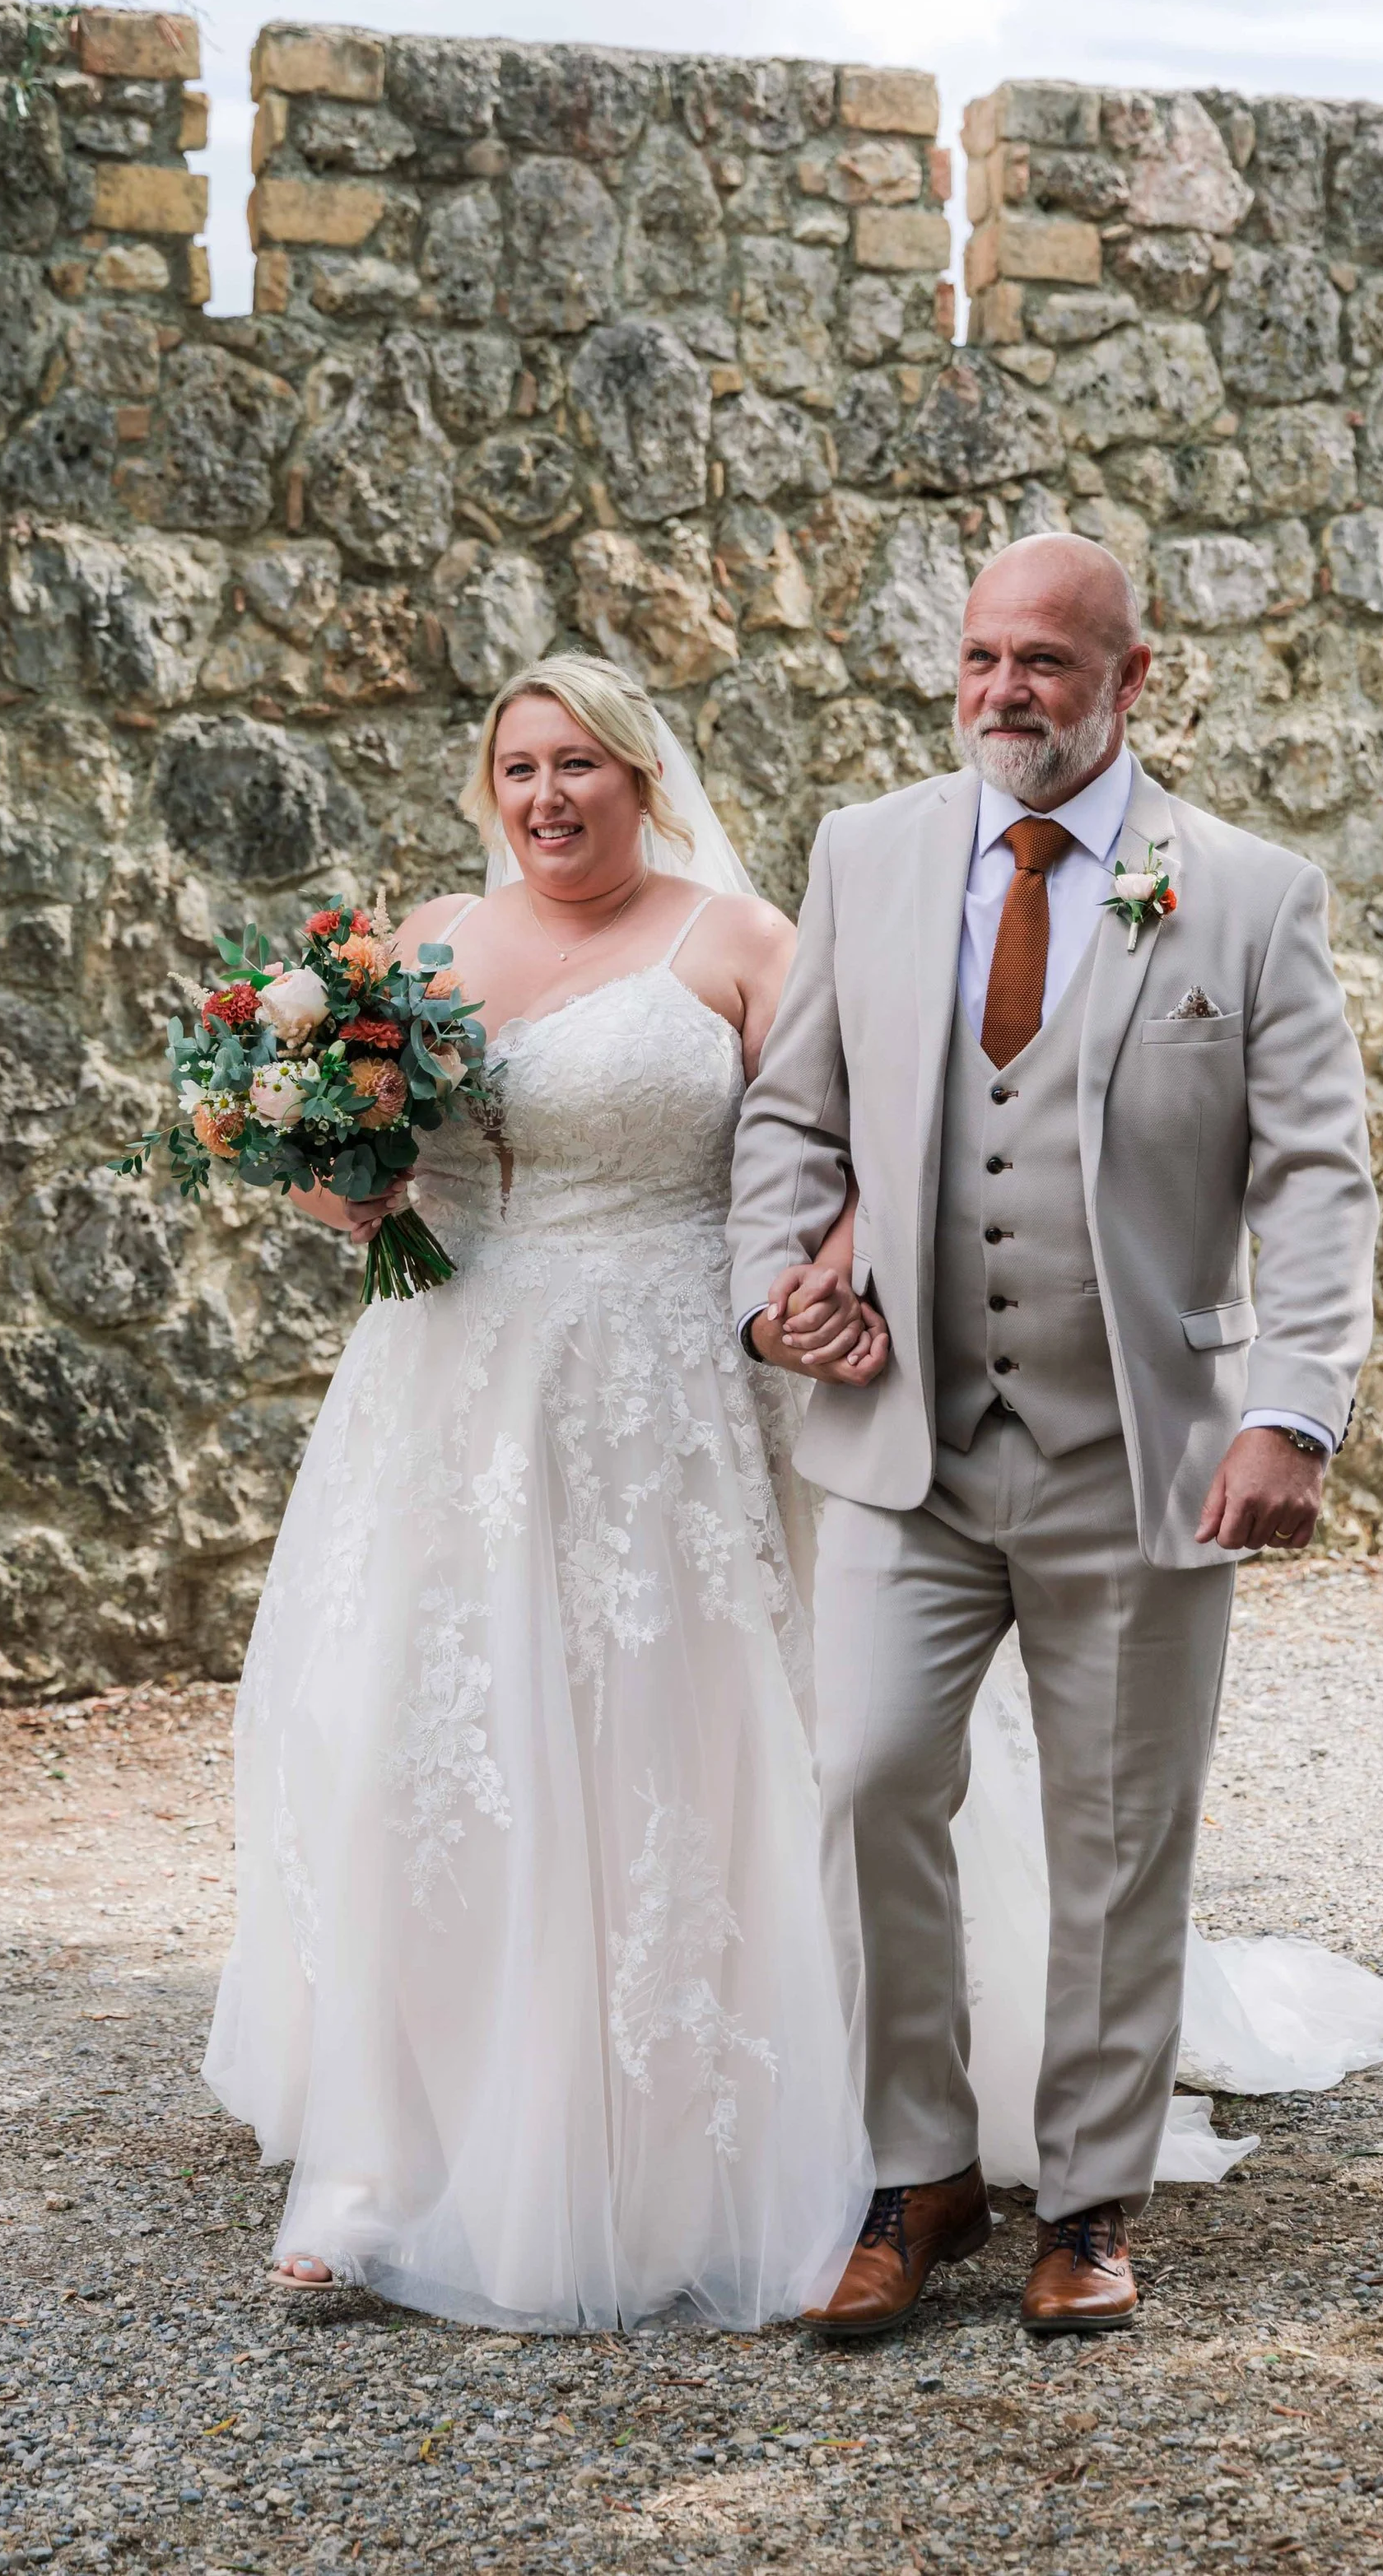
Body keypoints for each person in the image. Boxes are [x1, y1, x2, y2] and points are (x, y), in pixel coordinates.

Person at [729, 531, 1383, 2339]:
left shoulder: (1243, 895)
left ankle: (1088, 2200)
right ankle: (913, 2170)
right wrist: (769, 1289)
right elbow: (789, 1125)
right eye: (978, 658)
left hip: (1142, 1451)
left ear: (1131, 678)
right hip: (901, 1444)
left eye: (1043, 661)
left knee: (1117, 1832)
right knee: (866, 1778)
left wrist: (1288, 1413)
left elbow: (1318, 1182)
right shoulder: (868, 857)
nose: (1001, 690)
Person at [203, 654, 887, 2330]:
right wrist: (329, 1184)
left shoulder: (736, 945)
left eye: (578, 763)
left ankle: (679, 2149)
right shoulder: (425, 941)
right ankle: (384, 2160)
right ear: (485, 788)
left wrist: (833, 1273)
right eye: (517, 768)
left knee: (666, 1744)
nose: (545, 797)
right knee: (414, 1753)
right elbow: (339, 1168)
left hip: (664, 1382)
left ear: (642, 775)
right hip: (445, 1384)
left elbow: (876, 1147)